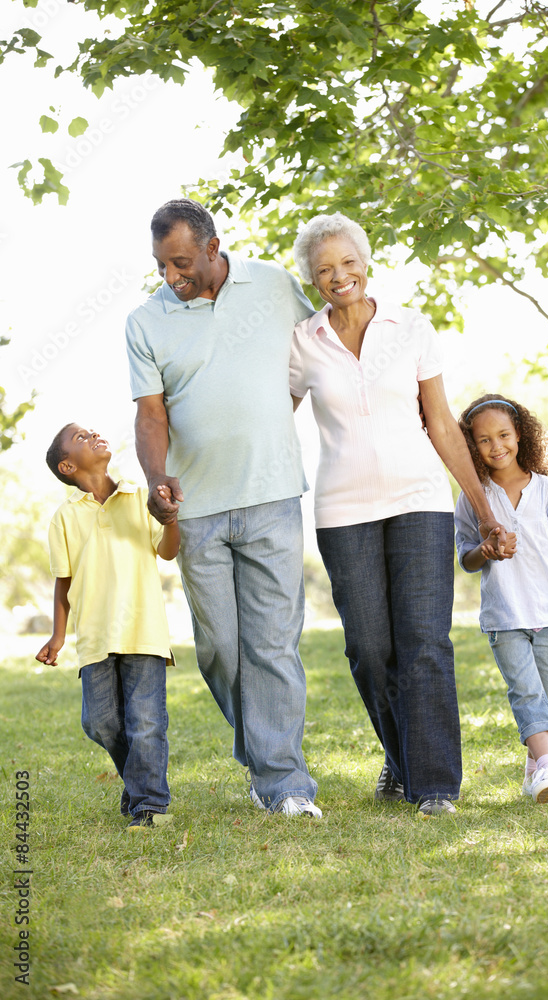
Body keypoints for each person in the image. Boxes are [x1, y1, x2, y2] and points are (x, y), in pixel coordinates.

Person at [289, 212, 509, 816]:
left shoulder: (411, 328)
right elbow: (273, 419)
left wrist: (483, 508)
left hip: (419, 502)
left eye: (348, 263)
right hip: (343, 509)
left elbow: (441, 423)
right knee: (368, 647)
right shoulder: (304, 342)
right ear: (312, 280)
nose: (340, 276)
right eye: (325, 269)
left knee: (424, 642)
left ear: (366, 262)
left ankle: (433, 785)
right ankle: (403, 755)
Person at [125, 198, 321, 817]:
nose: (170, 277)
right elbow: (150, 413)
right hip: (198, 508)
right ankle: (265, 751)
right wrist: (157, 479)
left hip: (272, 496)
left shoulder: (273, 285)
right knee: (221, 649)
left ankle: (285, 784)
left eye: (181, 262)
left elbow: (321, 349)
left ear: (213, 247)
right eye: (161, 265)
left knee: (272, 647)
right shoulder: (146, 320)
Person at [36, 423, 180, 830]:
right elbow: (63, 582)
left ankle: (150, 806)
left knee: (146, 721)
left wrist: (170, 519)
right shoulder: (64, 518)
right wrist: (58, 636)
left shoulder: (138, 496)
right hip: (95, 636)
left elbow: (168, 553)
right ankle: (140, 782)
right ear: (67, 466)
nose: (92, 434)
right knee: (98, 721)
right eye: (80, 437)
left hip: (143, 629)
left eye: (91, 430)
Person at [454, 393, 548, 803]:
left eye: (504, 435)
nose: (497, 446)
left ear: (520, 435)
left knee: (546, 697)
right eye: (484, 440)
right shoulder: (473, 497)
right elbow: (466, 559)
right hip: (504, 615)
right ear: (471, 447)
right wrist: (486, 549)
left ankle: (535, 771)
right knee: (526, 693)